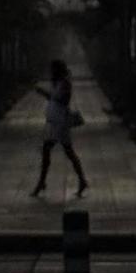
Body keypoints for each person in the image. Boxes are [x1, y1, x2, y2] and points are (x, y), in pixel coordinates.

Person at [31, 57, 88, 197]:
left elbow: (63, 100)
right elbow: (54, 97)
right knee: (63, 151)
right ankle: (81, 180)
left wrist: (48, 94)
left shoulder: (65, 83)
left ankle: (42, 182)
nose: (51, 71)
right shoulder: (58, 82)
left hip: (60, 123)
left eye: (53, 69)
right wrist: (45, 94)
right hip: (55, 121)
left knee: (60, 151)